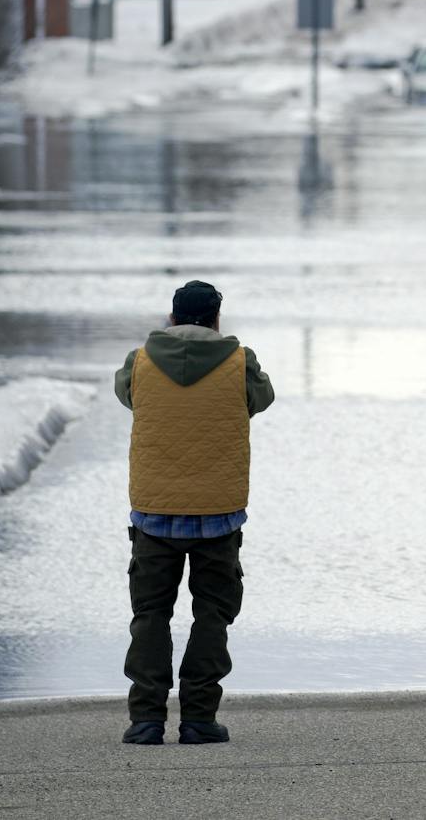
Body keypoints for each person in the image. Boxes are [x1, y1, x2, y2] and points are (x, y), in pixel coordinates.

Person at [114, 280, 275, 746]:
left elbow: (128, 397)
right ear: (217, 318)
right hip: (218, 513)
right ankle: (199, 719)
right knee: (212, 614)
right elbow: (260, 400)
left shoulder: (141, 360)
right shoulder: (240, 360)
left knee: (150, 614)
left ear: (173, 316)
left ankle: (145, 721)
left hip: (154, 513)